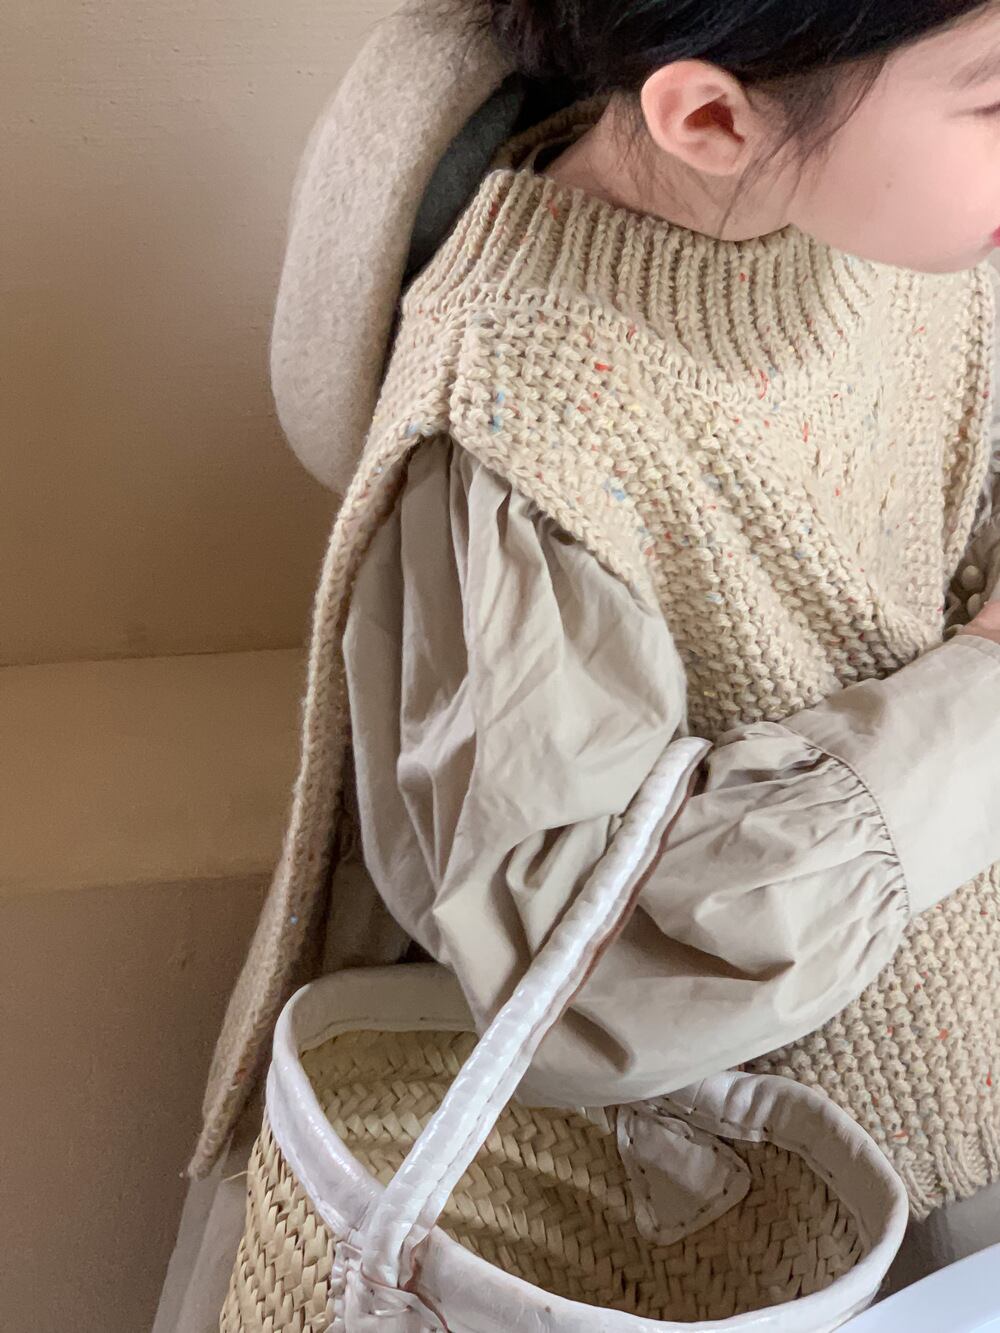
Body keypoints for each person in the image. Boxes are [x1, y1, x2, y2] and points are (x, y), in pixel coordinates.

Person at [157, 0, 1000, 1325]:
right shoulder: (526, 410)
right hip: (713, 1206)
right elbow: (581, 952)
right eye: (997, 100)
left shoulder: (886, 220)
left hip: (943, 1092)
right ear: (710, 117)